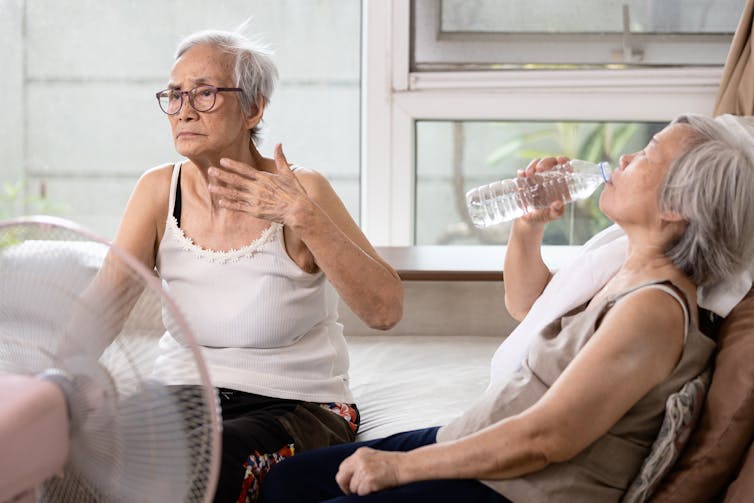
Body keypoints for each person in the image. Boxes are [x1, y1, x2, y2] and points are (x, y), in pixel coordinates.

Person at [258, 113, 754, 503]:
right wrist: (528, 224)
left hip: (513, 488)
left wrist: (400, 468)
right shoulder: (626, 265)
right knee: (284, 483)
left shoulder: (655, 312)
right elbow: (527, 304)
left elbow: (549, 436)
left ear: (676, 206)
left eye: (646, 155)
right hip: (479, 439)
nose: (624, 157)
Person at [110, 27, 403, 502]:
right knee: (109, 443)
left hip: (298, 401)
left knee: (213, 462)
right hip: (185, 391)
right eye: (175, 94)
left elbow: (386, 310)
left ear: (254, 107)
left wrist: (303, 216)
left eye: (204, 93)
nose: (184, 109)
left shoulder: (300, 189)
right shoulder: (157, 190)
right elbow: (103, 304)